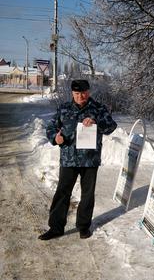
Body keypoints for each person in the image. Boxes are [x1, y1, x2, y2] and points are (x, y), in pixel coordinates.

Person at [38, 79, 117, 240]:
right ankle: (56, 227)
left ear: (89, 92)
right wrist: (55, 137)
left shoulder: (98, 108)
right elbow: (51, 127)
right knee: (62, 193)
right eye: (77, 93)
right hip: (69, 159)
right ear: (72, 93)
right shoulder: (64, 109)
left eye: (84, 93)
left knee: (87, 195)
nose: (81, 96)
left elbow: (111, 127)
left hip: (90, 159)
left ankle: (83, 226)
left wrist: (96, 121)